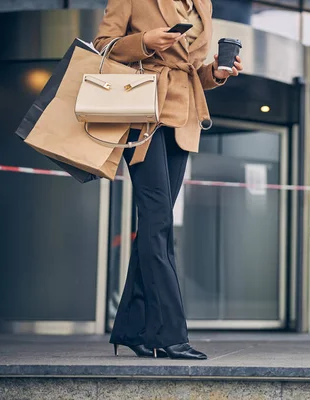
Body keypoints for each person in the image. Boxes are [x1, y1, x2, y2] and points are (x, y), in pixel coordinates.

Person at [93, 0, 243, 360]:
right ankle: (169, 333)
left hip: (183, 117)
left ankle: (132, 327)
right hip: (141, 111)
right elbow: (102, 46)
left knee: (154, 223)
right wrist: (144, 41)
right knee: (158, 221)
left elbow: (190, 71)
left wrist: (218, 75)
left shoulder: (202, 4)